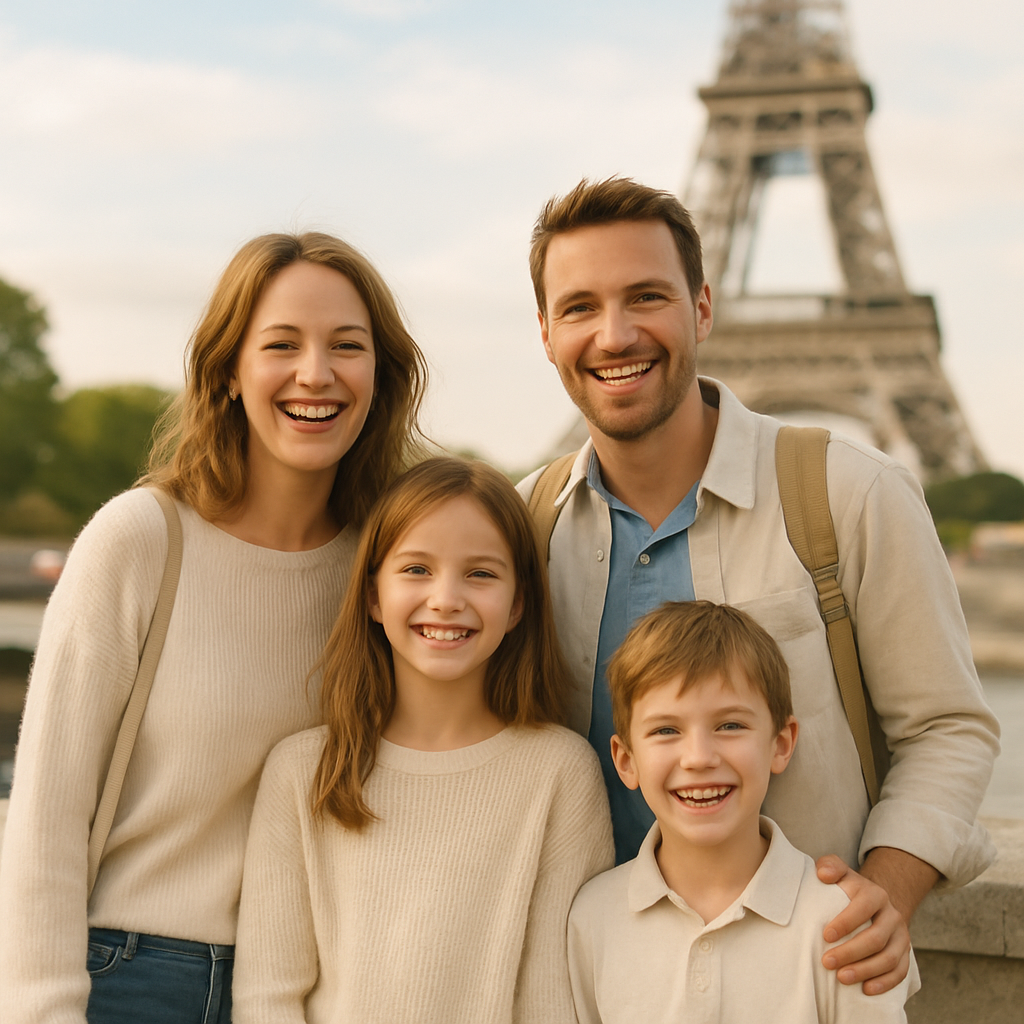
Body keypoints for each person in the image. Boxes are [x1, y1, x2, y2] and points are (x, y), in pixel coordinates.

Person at [517, 177, 1000, 994]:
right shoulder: (524, 527)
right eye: (580, 307)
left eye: (647, 296)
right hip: (594, 983)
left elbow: (947, 727)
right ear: (545, 332)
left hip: (807, 981)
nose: (615, 334)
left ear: (703, 308)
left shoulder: (850, 495)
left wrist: (885, 893)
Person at [0, 232, 428, 1024]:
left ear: (381, 374)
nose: (316, 373)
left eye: (347, 345)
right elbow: (45, 815)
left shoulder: (391, 574)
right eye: (282, 344)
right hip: (126, 979)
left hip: (315, 988)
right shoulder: (141, 540)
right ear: (229, 371)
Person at [232, 457, 613, 1023]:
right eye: (416, 569)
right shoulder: (304, 770)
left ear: (518, 605)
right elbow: (268, 997)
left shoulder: (560, 771)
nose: (446, 598)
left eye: (480, 574)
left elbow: (551, 1001)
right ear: (373, 596)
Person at [568, 600, 916, 1023]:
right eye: (666, 730)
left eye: (730, 725)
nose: (699, 757)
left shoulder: (846, 923)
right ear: (626, 761)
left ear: (781, 744)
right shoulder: (591, 919)